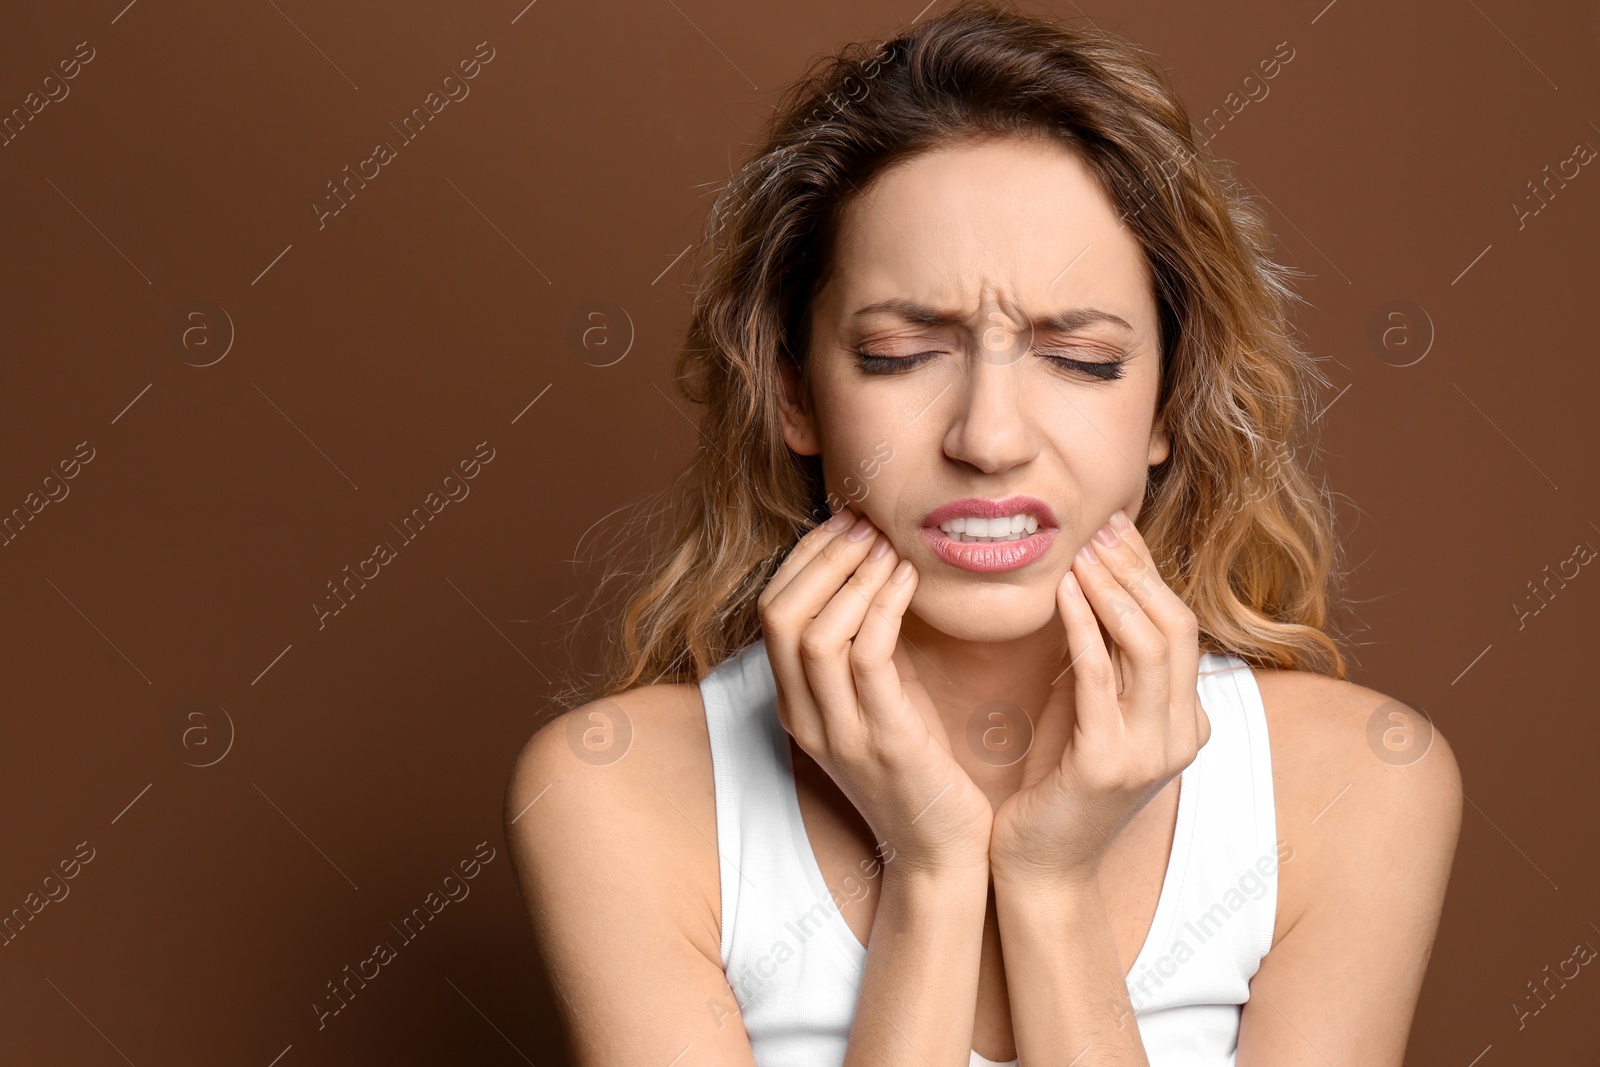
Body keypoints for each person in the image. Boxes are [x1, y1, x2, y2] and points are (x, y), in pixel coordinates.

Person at [504, 2, 1462, 1064]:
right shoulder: (613, 793)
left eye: (1082, 358)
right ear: (793, 392)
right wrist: (932, 870)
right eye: (902, 353)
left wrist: (1047, 889)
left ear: (1166, 403)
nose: (989, 437)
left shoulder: (1358, 784)